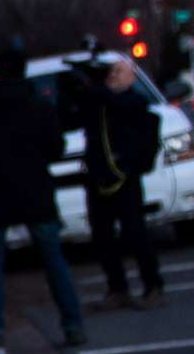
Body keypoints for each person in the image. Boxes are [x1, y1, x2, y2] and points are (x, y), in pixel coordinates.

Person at [0, 49, 89, 349]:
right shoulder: (39, 107)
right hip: (35, 194)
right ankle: (72, 325)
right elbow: (55, 148)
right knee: (54, 261)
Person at [60, 55, 166, 309]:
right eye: (110, 72)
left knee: (135, 232)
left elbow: (124, 106)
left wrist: (97, 90)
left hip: (124, 177)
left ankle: (153, 286)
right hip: (98, 178)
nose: (113, 76)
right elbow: (70, 119)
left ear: (131, 77)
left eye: (119, 71)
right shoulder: (96, 102)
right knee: (102, 236)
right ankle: (117, 288)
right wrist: (76, 92)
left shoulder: (134, 102)